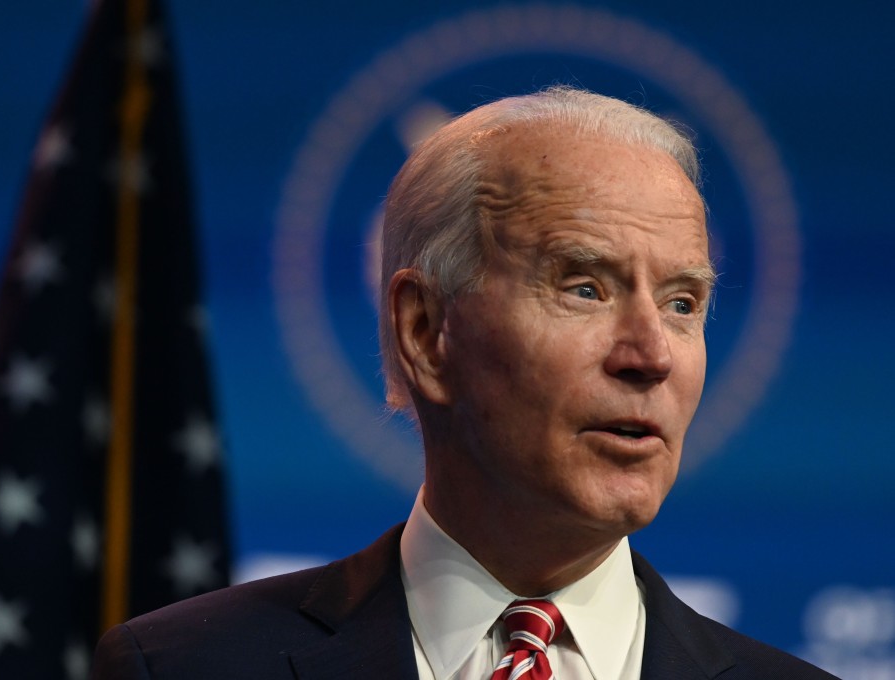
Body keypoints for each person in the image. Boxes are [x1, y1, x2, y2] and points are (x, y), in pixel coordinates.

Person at [91, 87, 836, 679]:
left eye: (682, 304)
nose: (651, 354)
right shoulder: (186, 667)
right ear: (425, 332)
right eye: (584, 287)